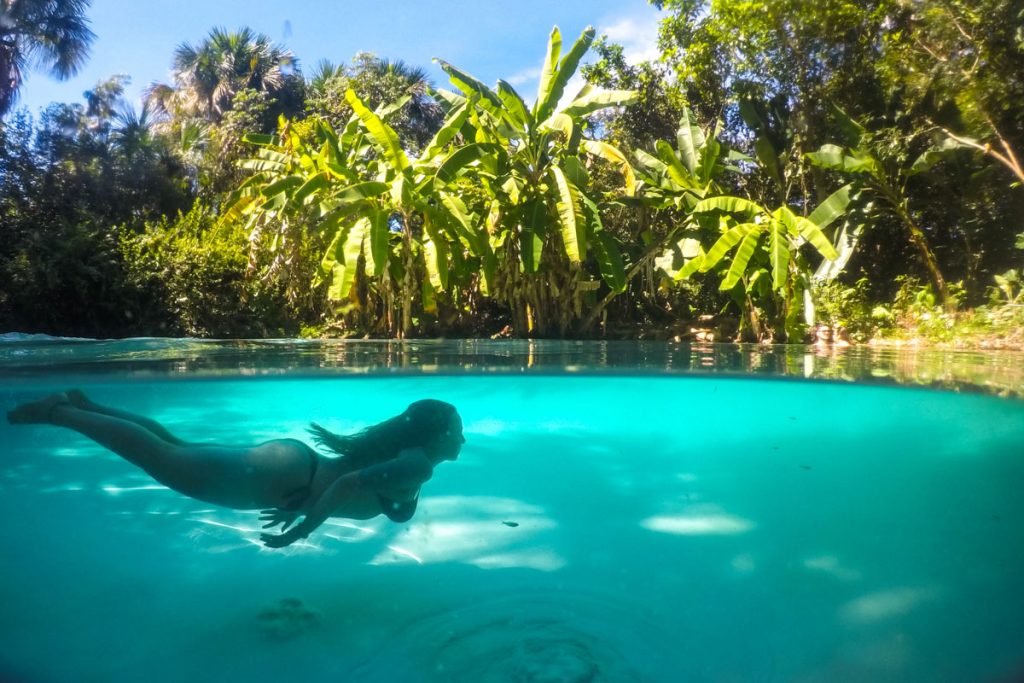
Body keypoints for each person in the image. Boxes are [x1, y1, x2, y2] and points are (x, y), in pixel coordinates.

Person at [6, 391, 465, 548]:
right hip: (286, 479)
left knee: (175, 448)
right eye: (456, 430)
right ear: (433, 435)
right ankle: (59, 413)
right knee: (164, 460)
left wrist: (305, 505)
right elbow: (348, 483)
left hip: (292, 470)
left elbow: (344, 482)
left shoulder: (409, 457)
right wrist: (300, 532)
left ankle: (89, 405)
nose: (462, 438)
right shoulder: (418, 467)